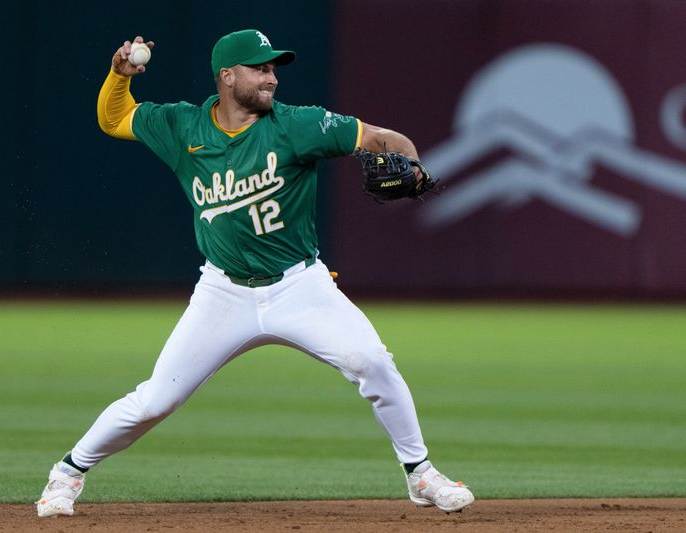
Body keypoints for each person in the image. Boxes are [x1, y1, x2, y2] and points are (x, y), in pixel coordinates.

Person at [36, 29, 474, 518]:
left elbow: (383, 139)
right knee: (155, 401)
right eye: (259, 68)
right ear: (227, 76)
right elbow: (113, 117)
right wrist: (119, 76)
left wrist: (412, 165)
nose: (271, 77)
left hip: (299, 287)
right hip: (223, 292)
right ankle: (67, 473)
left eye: (273, 69)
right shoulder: (183, 125)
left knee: (372, 361)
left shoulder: (300, 125)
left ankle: (421, 474)